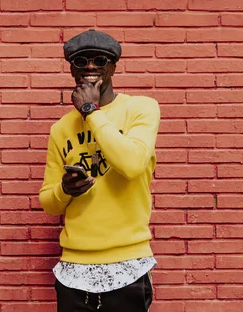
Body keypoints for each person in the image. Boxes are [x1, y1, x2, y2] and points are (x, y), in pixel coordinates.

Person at [39, 29, 161, 312]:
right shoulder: (61, 129)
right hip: (74, 268)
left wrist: (91, 112)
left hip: (127, 265)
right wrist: (64, 190)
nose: (90, 67)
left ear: (113, 66)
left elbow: (132, 165)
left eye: (100, 60)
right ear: (72, 69)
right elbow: (48, 202)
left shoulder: (141, 109)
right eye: (81, 61)